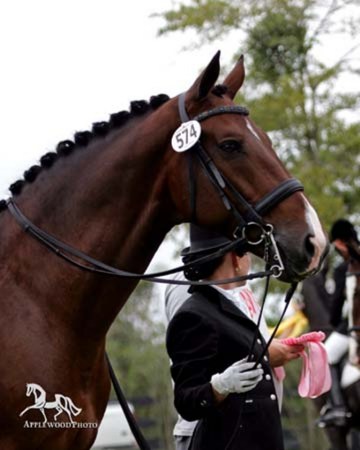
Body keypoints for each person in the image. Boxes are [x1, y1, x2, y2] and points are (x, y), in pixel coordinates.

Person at [165, 224, 304, 450]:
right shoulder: (194, 315)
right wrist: (220, 386)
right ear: (236, 259)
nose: (249, 261)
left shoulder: (236, 304)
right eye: (246, 253)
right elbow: (186, 401)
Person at [317, 218, 359, 428]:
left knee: (325, 356)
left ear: (340, 243)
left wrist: (333, 322)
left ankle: (338, 407)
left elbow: (337, 306)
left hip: (352, 325)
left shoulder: (345, 268)